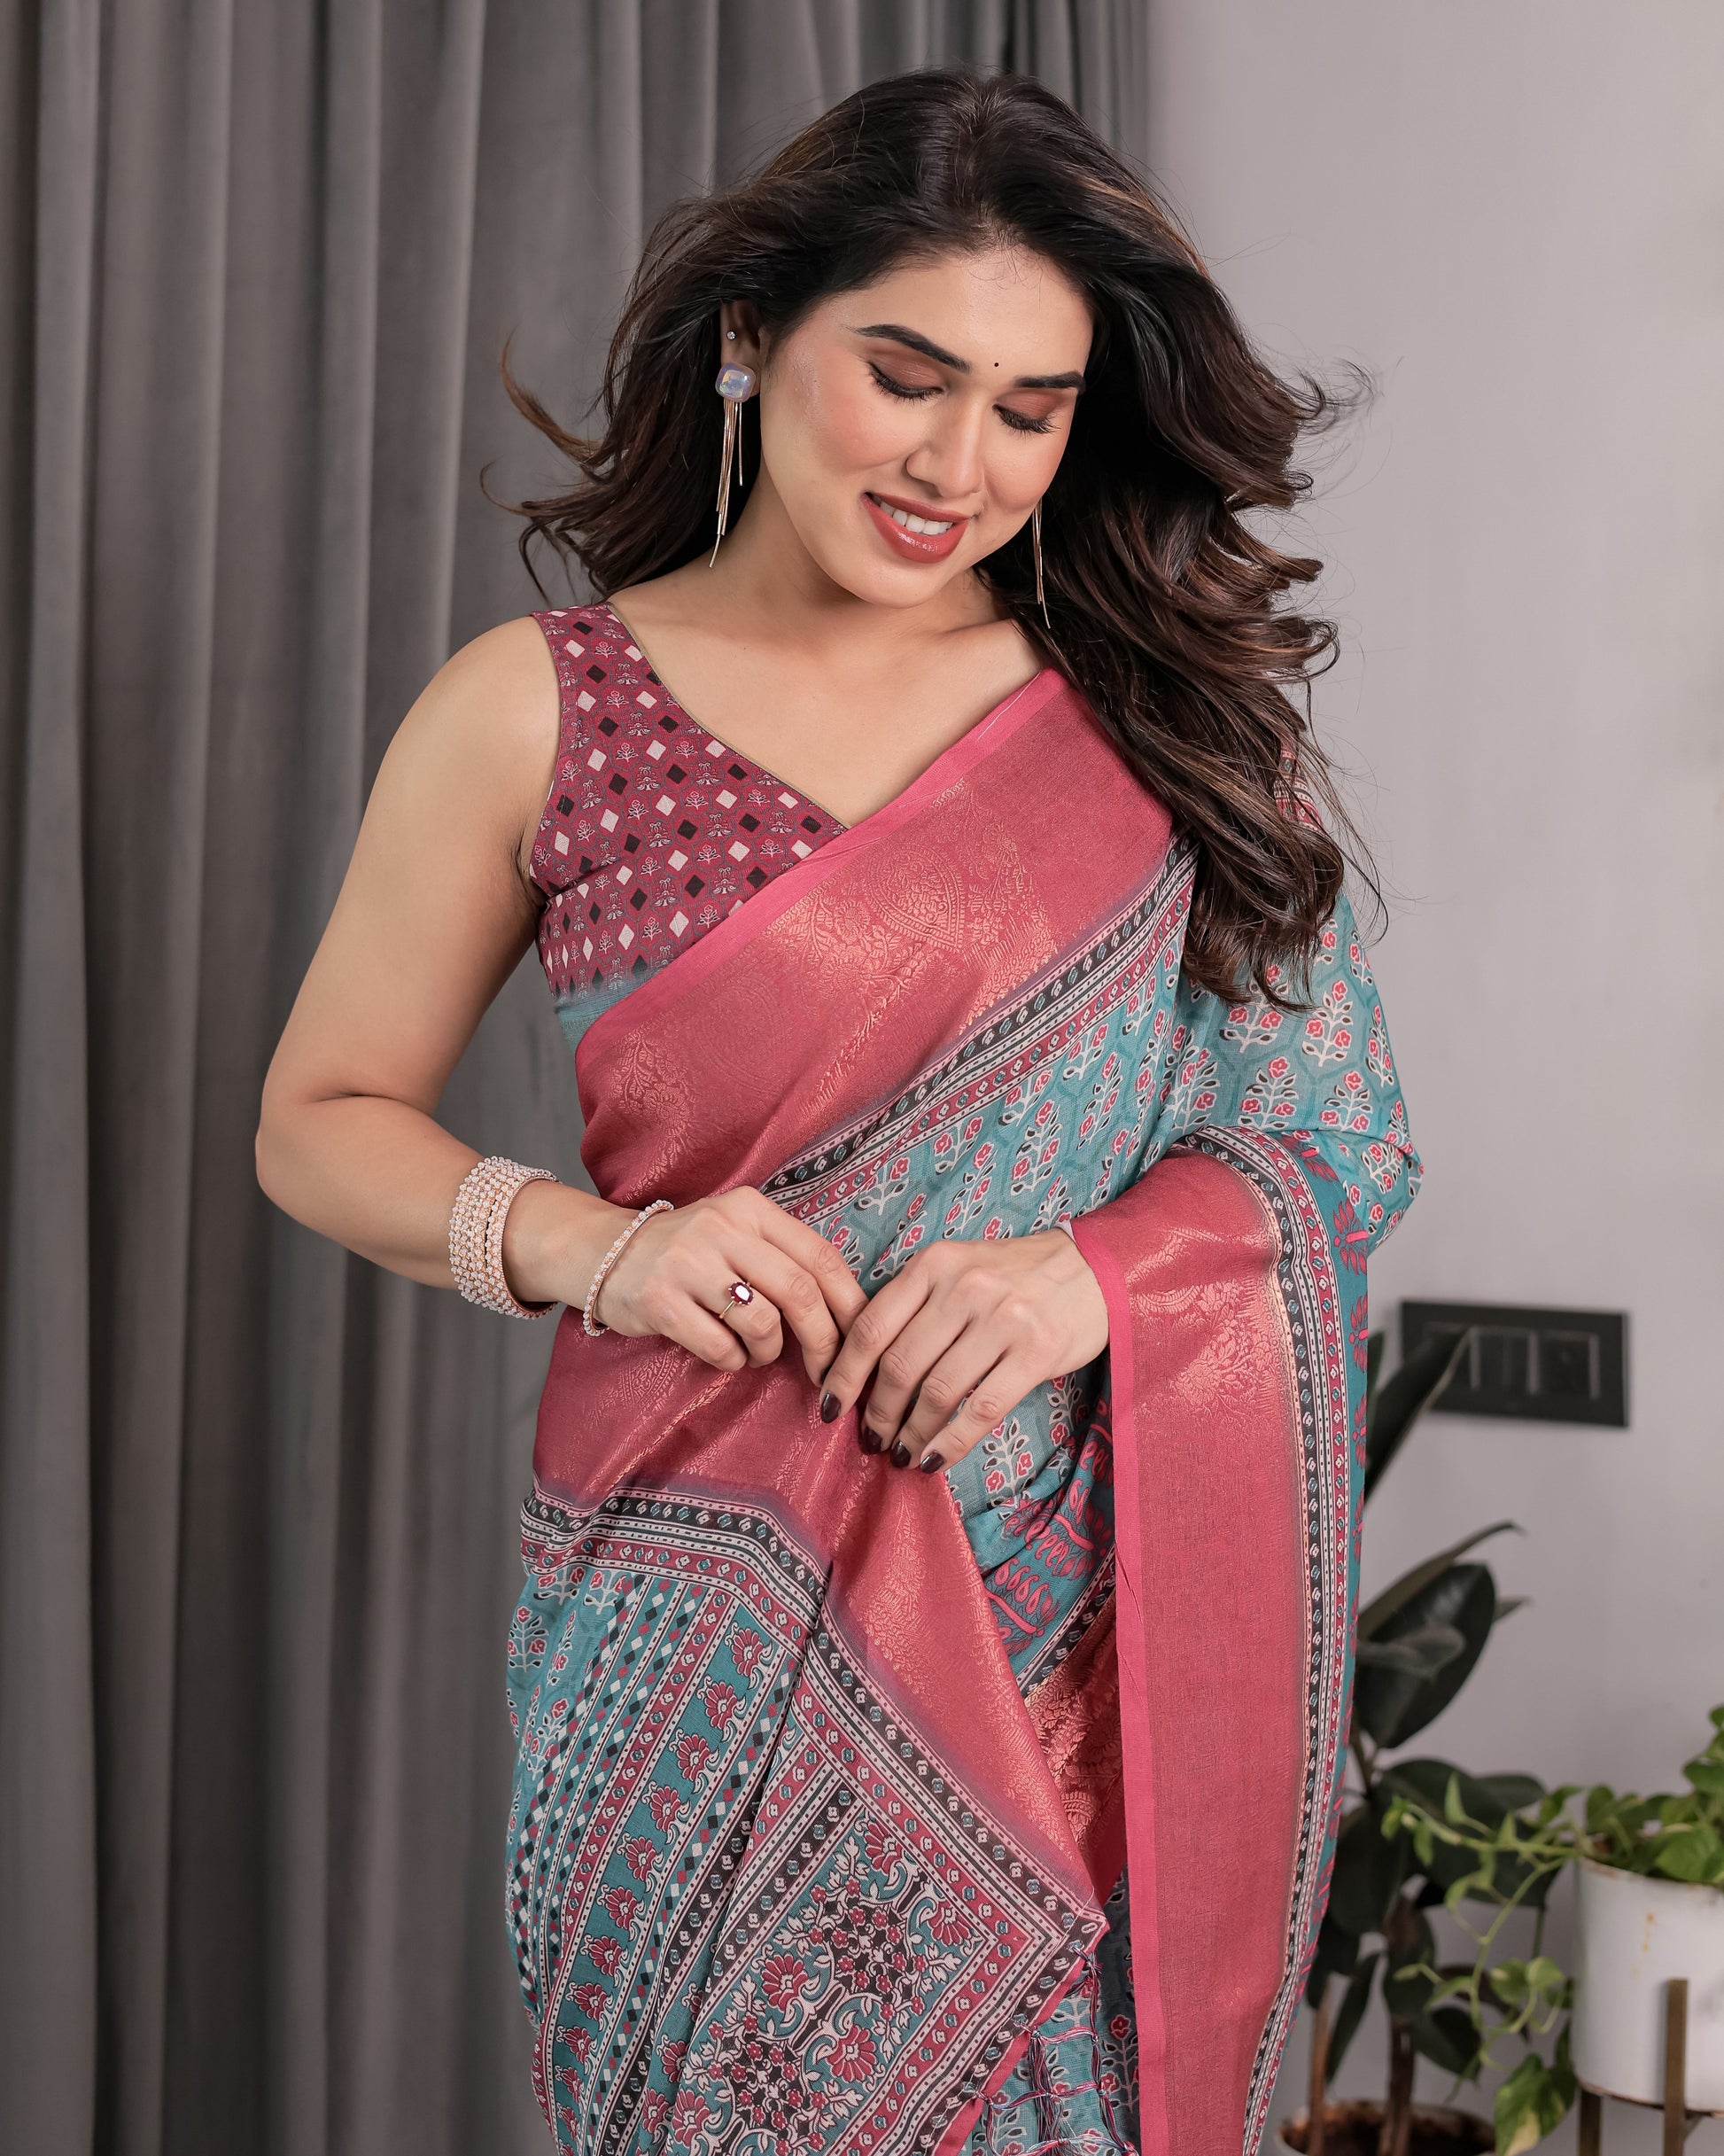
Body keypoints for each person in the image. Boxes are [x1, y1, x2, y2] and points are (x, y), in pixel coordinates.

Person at [257, 67, 1419, 2156]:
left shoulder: (1165, 713)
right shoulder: (545, 706)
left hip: (1073, 1631)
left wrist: (1083, 1276)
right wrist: (599, 1245)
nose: (958, 464)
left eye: (1030, 409)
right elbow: (319, 1114)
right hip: (681, 1629)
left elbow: (1331, 1136)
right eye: (905, 376)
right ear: (750, 335)